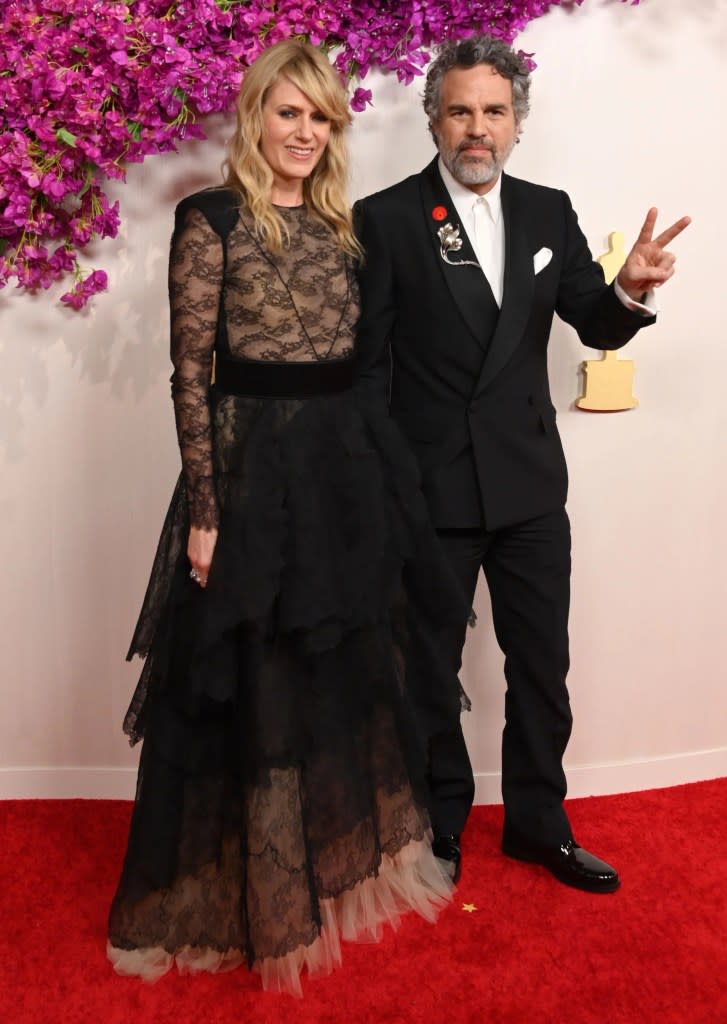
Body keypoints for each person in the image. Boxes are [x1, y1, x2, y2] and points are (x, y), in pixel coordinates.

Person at [107, 40, 471, 997]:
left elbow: (366, 359)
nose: (306, 133)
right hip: (248, 477)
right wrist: (205, 508)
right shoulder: (211, 218)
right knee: (248, 681)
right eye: (289, 113)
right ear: (255, 116)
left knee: (335, 672)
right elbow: (191, 374)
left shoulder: (343, 230)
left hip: (345, 472)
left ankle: (332, 858)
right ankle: (256, 897)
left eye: (322, 118)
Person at [355, 35, 690, 893]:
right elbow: (367, 368)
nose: (477, 128)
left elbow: (594, 319)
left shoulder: (547, 211)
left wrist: (630, 289)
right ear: (433, 118)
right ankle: (438, 823)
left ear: (517, 123)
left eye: (493, 111)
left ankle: (540, 824)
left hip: (529, 487)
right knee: (426, 668)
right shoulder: (388, 218)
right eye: (460, 110)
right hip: (429, 488)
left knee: (540, 665)